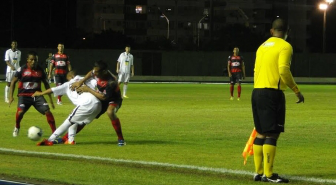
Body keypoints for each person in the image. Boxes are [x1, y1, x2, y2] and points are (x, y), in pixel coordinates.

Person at [251, 18, 304, 183]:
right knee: (272, 133)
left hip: (257, 91)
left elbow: (255, 70)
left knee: (261, 132)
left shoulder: (261, 47)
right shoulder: (285, 46)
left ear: (271, 31)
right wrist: (296, 90)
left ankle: (259, 173)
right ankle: (269, 174)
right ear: (287, 32)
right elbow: (283, 70)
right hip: (272, 93)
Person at [33, 70, 102, 145]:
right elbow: (98, 83)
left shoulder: (67, 84)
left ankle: (50, 140)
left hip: (86, 103)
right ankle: (71, 140)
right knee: (74, 121)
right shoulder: (85, 79)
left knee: (68, 122)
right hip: (98, 104)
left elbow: (52, 90)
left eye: (68, 78)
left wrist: (41, 93)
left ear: (72, 76)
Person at [71, 60, 125, 146]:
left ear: (104, 71)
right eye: (94, 71)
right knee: (88, 113)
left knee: (110, 112)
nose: (94, 73)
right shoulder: (97, 72)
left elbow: (104, 97)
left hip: (113, 99)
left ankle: (121, 139)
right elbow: (91, 73)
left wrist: (88, 89)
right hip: (101, 95)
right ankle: (67, 137)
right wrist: (80, 82)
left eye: (96, 72)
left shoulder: (111, 82)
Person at [9, 51, 56, 137]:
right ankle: (17, 127)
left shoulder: (40, 70)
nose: (33, 61)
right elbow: (13, 82)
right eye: (31, 59)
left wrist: (51, 100)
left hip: (37, 95)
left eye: (35, 60)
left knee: (47, 111)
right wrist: (11, 97)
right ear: (27, 60)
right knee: (20, 112)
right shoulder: (22, 69)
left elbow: (46, 84)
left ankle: (55, 133)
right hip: (24, 96)